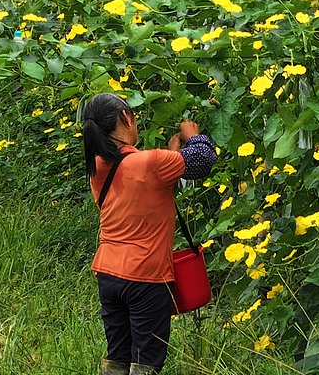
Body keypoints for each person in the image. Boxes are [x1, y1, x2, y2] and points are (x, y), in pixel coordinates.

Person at [83, 93, 219, 375]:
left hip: (108, 273)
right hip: (146, 276)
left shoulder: (96, 168)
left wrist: (172, 154)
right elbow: (203, 159)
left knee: (117, 355)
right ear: (125, 118)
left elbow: (139, 172)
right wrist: (193, 136)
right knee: (147, 361)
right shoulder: (153, 163)